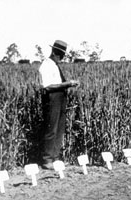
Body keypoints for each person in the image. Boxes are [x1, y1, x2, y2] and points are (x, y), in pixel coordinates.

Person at [37, 40, 80, 169]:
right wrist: (68, 84)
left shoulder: (54, 65)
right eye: (61, 56)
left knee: (59, 128)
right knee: (51, 128)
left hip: (60, 97)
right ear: (56, 53)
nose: (62, 58)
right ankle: (47, 160)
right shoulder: (46, 65)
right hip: (52, 98)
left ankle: (55, 158)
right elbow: (48, 86)